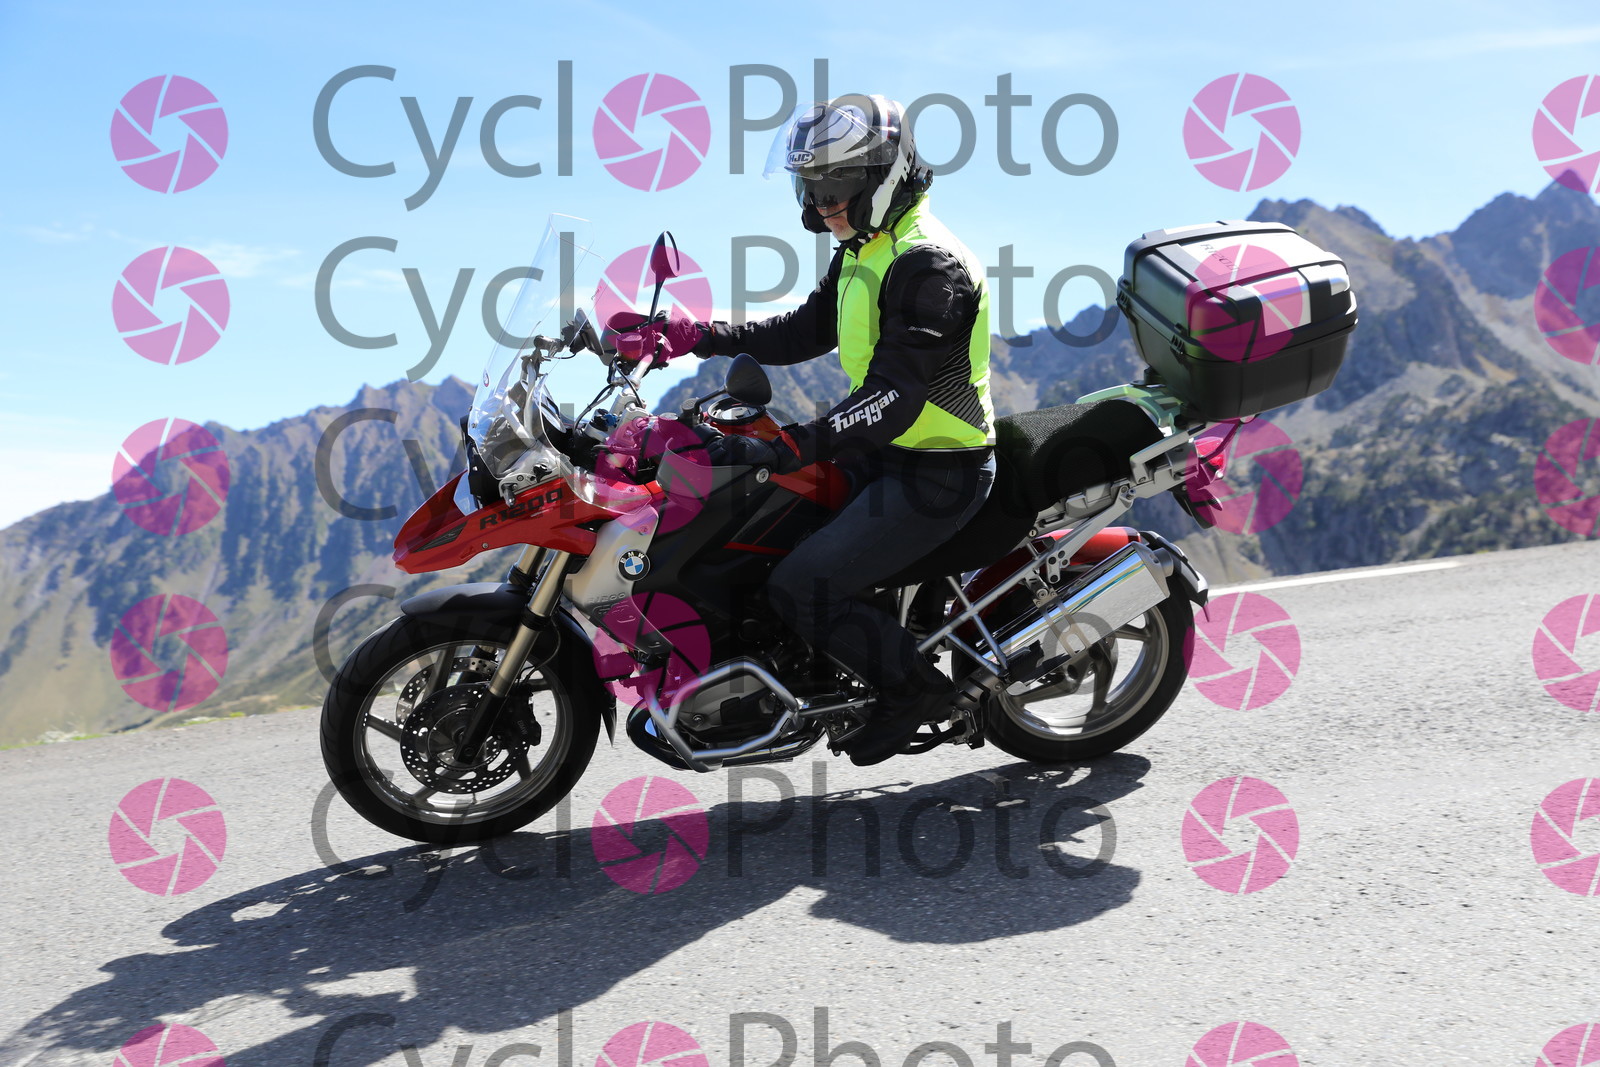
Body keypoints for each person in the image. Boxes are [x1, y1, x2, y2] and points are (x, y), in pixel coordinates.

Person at [659, 94, 997, 765]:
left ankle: (912, 691)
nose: (818, 209)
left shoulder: (929, 266)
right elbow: (803, 330)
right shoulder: (866, 249)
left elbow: (894, 396)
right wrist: (700, 336)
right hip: (882, 455)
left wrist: (795, 443)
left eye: (832, 188)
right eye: (809, 189)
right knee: (753, 531)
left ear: (884, 178)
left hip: (938, 470)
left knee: (803, 586)